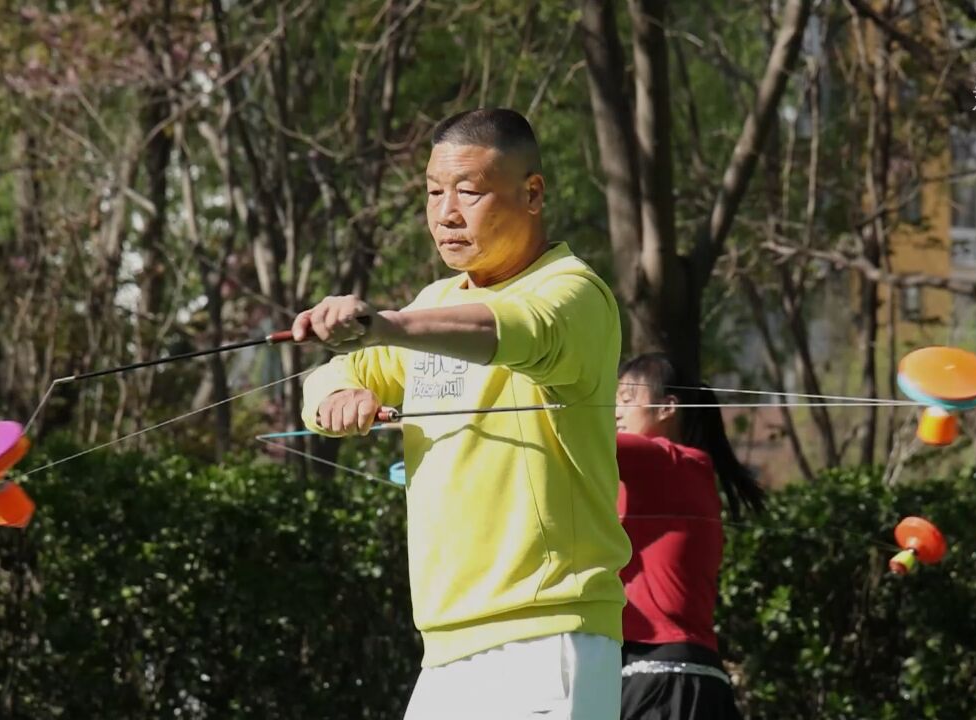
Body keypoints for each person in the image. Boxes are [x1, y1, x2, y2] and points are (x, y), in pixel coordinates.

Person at [293, 108, 631, 720]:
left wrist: (383, 325)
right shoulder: (437, 301)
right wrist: (334, 398)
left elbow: (517, 330)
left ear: (532, 193)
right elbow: (328, 375)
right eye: (432, 193)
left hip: (550, 633)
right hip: (446, 646)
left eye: (469, 193)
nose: (446, 213)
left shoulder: (573, 291)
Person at [613, 353, 767, 720]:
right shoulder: (677, 469)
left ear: (667, 408)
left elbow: (580, 439)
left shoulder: (667, 461)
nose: (614, 411)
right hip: (679, 676)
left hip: (664, 681)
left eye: (626, 400)